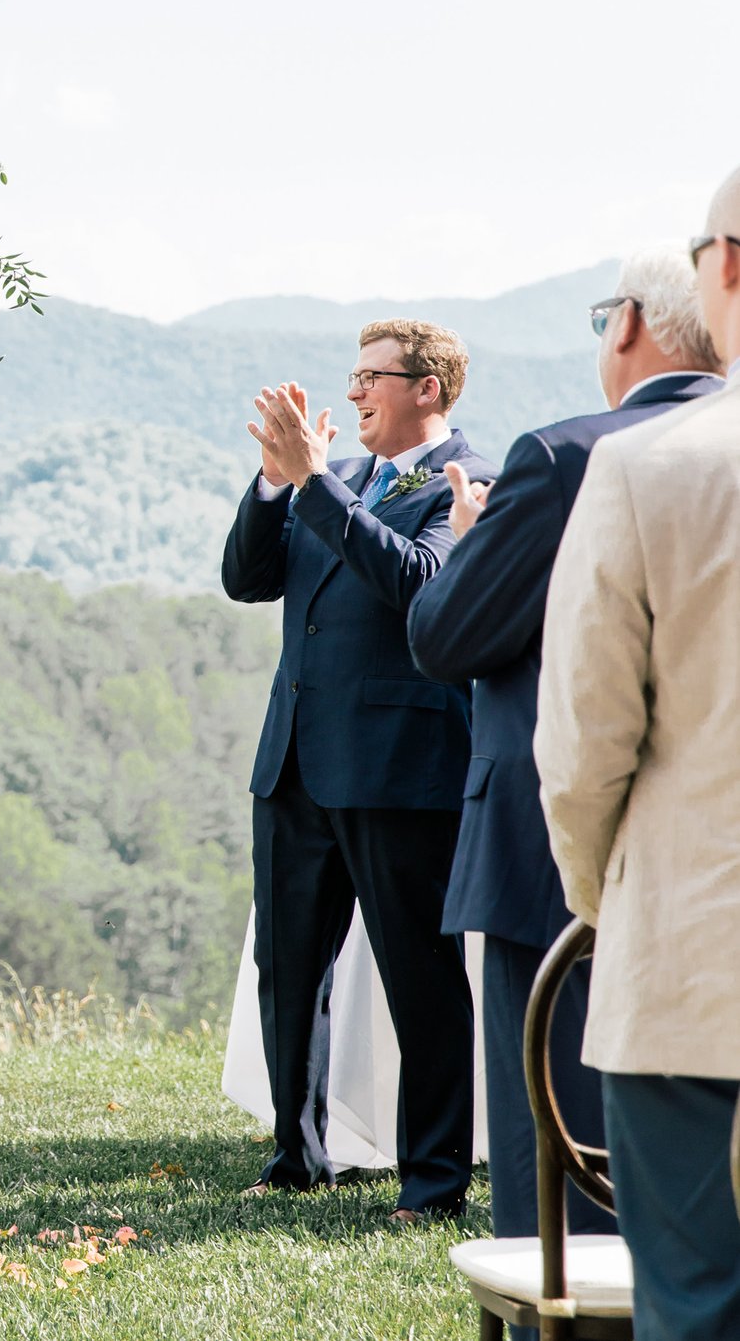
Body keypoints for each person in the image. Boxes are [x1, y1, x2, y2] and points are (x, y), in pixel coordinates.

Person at [408, 246, 722, 1262]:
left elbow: (446, 637)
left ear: (628, 322)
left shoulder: (563, 458)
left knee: (563, 1171)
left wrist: (466, 544)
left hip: (555, 857)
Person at [220, 320, 492, 1223]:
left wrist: (317, 483)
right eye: (356, 373)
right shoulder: (340, 483)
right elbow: (246, 579)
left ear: (430, 388)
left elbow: (423, 585)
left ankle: (436, 1179)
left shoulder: (471, 480)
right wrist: (273, 481)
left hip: (399, 766)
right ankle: (294, 1154)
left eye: (376, 375)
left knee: (422, 976)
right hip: (295, 758)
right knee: (288, 968)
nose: (358, 389)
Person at [537, 172, 740, 1340]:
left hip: (692, 967)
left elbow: (579, 749)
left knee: (698, 1307)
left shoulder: (650, 468)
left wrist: (606, 901)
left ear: (722, 266)